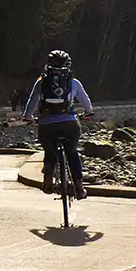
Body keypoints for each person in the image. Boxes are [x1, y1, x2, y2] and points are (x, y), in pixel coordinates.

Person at [22, 50, 95, 200]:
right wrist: (88, 113)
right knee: (72, 152)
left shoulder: (42, 81)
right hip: (69, 124)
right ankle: (80, 188)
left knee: (50, 150)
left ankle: (48, 171)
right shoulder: (73, 82)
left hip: (46, 125)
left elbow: (32, 102)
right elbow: (86, 103)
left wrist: (28, 117)